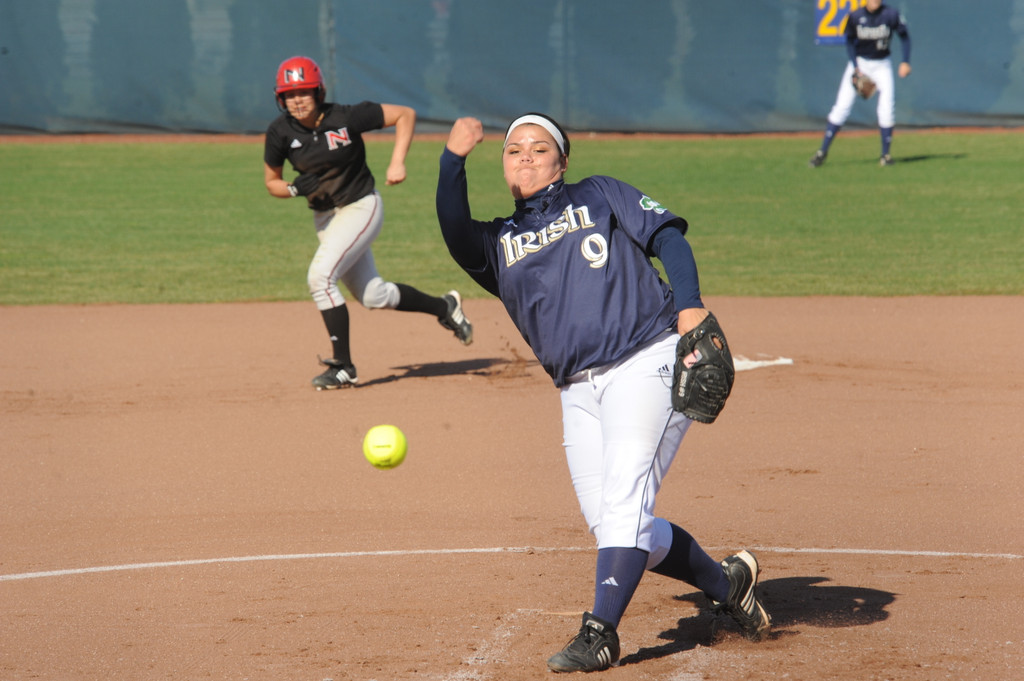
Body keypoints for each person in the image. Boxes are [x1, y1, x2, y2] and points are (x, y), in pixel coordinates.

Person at [435, 113, 771, 673]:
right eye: (513, 150)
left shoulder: (598, 195)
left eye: (538, 149)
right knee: (617, 521)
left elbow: (667, 235)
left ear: (561, 162)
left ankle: (601, 632)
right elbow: (452, 228)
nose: (524, 157)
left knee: (622, 508)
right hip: (576, 391)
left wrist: (689, 304)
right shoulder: (499, 243)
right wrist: (452, 160)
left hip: (647, 359)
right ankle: (727, 582)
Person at [263, 56, 473, 390]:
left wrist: (397, 162)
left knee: (320, 278)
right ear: (280, 98)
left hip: (361, 206)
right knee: (374, 295)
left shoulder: (345, 117)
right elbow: (271, 182)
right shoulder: (280, 132)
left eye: (303, 91)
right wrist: (291, 189)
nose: (296, 100)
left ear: (318, 92)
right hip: (325, 218)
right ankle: (444, 306)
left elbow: (405, 114)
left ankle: (343, 367)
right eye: (289, 94)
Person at [809, 0, 911, 167]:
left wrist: (905, 61)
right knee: (842, 107)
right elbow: (849, 41)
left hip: (882, 65)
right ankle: (822, 152)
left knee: (887, 108)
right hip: (860, 64)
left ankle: (885, 155)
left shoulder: (890, 14)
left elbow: (905, 37)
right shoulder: (856, 16)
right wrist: (856, 68)